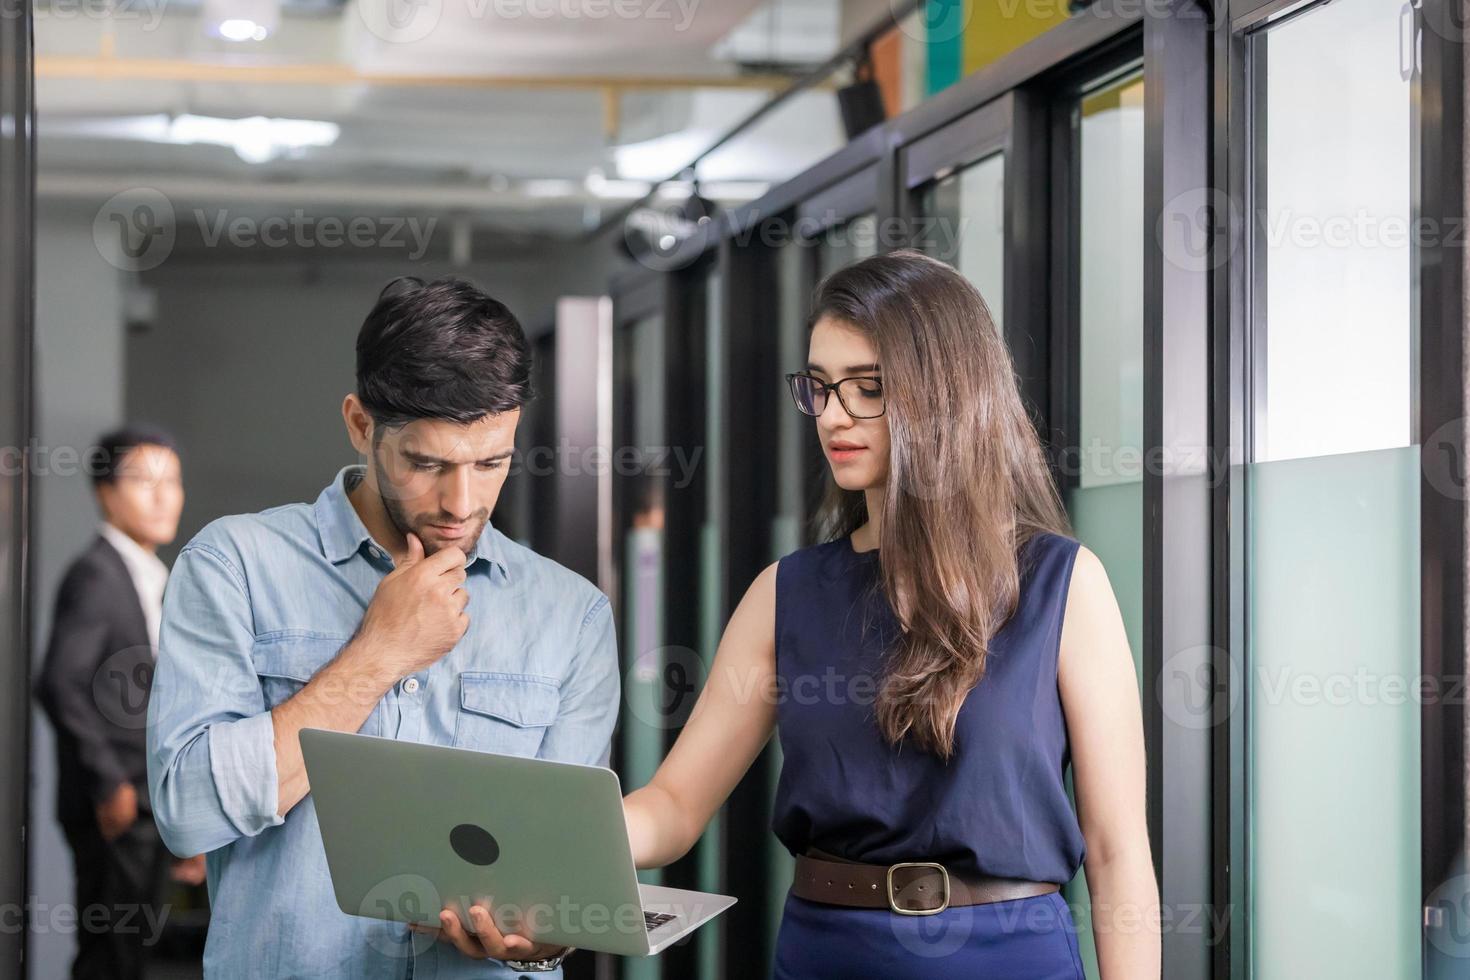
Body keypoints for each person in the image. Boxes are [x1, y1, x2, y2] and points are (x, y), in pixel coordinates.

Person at [622, 250, 1161, 977]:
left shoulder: (1061, 585)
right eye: (819, 387)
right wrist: (545, 840)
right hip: (828, 956)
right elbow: (674, 807)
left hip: (1009, 958)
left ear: (945, 392)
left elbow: (1117, 849)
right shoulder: (786, 593)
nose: (833, 416)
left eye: (867, 388)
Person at [146, 276, 618, 977]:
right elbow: (187, 810)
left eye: (492, 463)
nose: (462, 502)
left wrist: (547, 936)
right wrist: (378, 654)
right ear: (361, 425)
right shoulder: (234, 565)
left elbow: (561, 875)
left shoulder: (572, 614)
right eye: (428, 464)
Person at [37, 425, 200, 980]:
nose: (162, 496)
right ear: (105, 493)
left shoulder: (150, 573)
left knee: (133, 956)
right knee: (111, 958)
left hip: (148, 801)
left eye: (172, 481)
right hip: (119, 805)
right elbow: (59, 681)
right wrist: (109, 782)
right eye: (142, 481)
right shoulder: (98, 574)